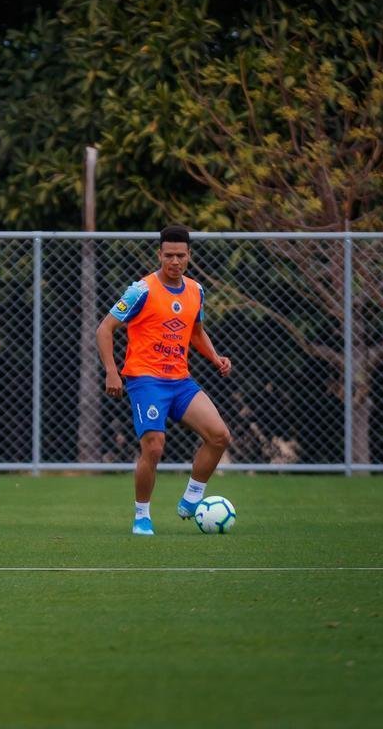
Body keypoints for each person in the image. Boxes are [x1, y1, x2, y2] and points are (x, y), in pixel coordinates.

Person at [96, 225, 233, 536]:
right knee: (155, 447)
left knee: (220, 436)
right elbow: (104, 329)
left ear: (189, 257)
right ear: (159, 255)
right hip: (145, 380)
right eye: (169, 255)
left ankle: (192, 498)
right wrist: (111, 370)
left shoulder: (196, 291)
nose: (175, 261)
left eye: (180, 255)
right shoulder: (140, 290)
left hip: (180, 381)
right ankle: (142, 516)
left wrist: (214, 358)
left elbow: (195, 331)